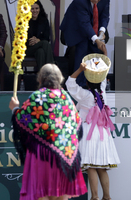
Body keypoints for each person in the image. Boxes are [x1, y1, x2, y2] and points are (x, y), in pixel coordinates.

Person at [9, 63, 87, 200]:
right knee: (61, 195)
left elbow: (22, 121)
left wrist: (15, 109)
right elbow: (76, 126)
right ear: (59, 79)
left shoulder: (37, 96)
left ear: (40, 79)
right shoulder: (66, 98)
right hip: (65, 155)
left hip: (42, 154)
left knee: (42, 194)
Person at [66, 60, 120, 200]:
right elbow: (103, 74)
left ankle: (94, 197)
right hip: (103, 133)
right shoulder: (102, 93)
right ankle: (107, 196)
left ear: (88, 82)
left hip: (90, 132)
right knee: (101, 167)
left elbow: (70, 84)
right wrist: (105, 57)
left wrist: (79, 69)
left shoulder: (85, 95)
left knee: (91, 166)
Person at [60, 0, 109, 86]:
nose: (96, 0)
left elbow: (105, 15)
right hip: (76, 27)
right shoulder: (80, 0)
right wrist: (96, 39)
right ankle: (78, 86)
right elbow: (84, 24)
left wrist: (102, 31)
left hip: (92, 25)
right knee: (81, 54)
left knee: (95, 52)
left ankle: (94, 84)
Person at [26, 0, 54, 72]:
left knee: (40, 52)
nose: (34, 10)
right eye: (32, 8)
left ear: (40, 9)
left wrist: (38, 41)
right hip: (28, 48)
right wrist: (29, 42)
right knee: (45, 43)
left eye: (36, 8)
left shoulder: (44, 21)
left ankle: (41, 78)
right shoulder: (24, 21)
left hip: (39, 47)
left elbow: (46, 37)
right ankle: (51, 71)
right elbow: (20, 39)